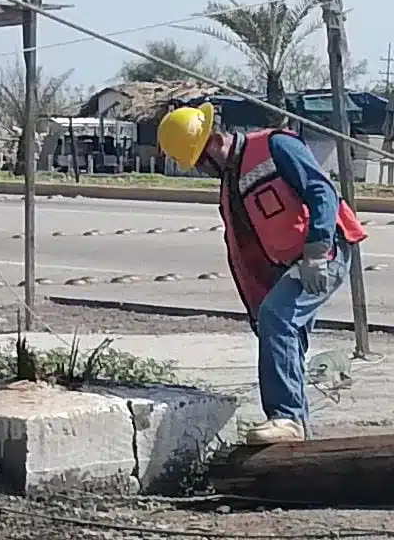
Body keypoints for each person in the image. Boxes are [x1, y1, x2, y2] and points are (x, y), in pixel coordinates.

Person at [155, 103, 368, 444]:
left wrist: (316, 251)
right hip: (291, 264)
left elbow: (321, 192)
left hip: (326, 251)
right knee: (285, 335)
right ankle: (298, 432)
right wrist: (257, 306)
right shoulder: (231, 183)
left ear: (211, 145)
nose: (200, 170)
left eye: (197, 162)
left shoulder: (274, 146)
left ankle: (286, 418)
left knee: (279, 318)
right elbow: (244, 252)